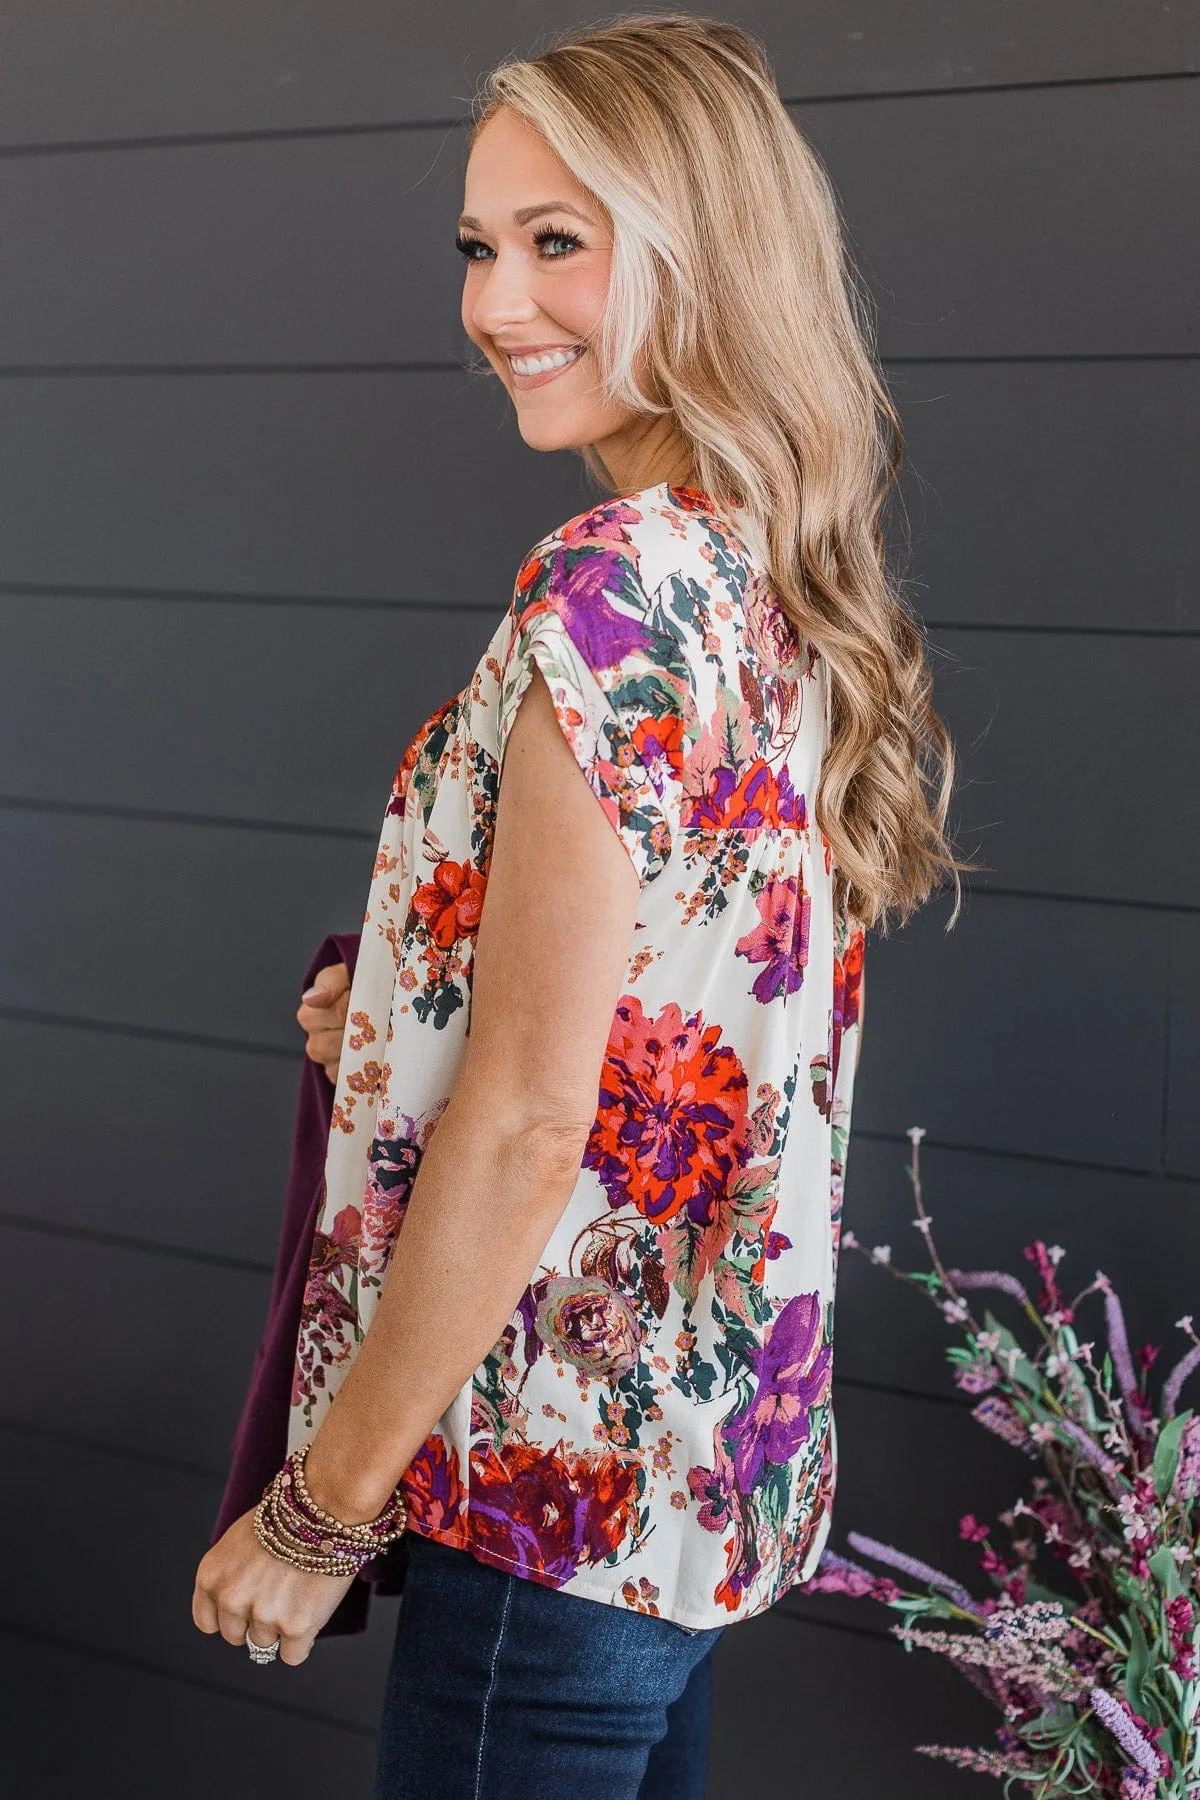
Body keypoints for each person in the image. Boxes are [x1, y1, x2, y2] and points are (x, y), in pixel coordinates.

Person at [192, 13, 965, 1797]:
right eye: (479, 243)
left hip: (544, 1501)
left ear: (703, 256)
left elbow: (540, 1119)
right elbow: (675, 1011)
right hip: (688, 1505)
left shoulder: (612, 588)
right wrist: (402, 1009)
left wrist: (316, 1515)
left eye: (560, 241)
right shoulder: (773, 576)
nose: (495, 304)